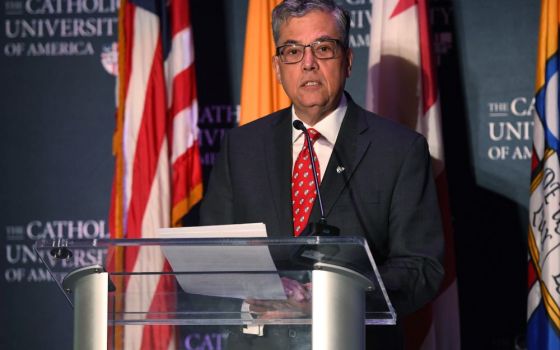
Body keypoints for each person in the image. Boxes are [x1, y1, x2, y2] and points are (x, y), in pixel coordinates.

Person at [199, 0, 444, 348]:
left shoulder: (400, 150)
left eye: (323, 49)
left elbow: (421, 268)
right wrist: (252, 301)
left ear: (347, 60)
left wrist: (331, 297)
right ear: (277, 66)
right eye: (293, 51)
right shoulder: (242, 146)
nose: (308, 64)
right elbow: (211, 255)